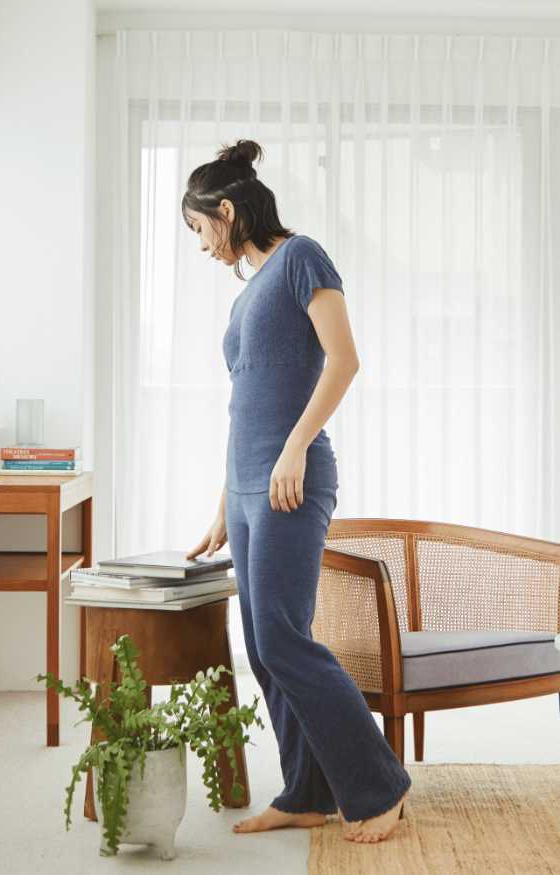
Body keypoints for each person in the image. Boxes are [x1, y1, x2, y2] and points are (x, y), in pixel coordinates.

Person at [183, 139, 411, 844]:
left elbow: (343, 361)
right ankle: (307, 792)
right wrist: (225, 500)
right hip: (247, 485)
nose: (202, 245)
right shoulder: (247, 292)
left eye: (200, 228)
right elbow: (244, 403)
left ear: (227, 211)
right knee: (262, 645)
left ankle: (380, 786)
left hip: (292, 480)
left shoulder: (302, 257)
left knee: (284, 638)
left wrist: (294, 449)